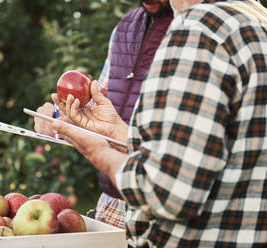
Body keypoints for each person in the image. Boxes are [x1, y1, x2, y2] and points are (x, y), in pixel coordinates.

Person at [44, 0, 267, 247]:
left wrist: (97, 151)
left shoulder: (199, 29)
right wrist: (116, 132)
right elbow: (208, 152)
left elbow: (167, 193)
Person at [34, 0, 173, 229]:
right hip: (111, 206)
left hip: (158, 210)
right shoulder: (124, 28)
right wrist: (61, 117)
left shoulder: (192, 34)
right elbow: (100, 105)